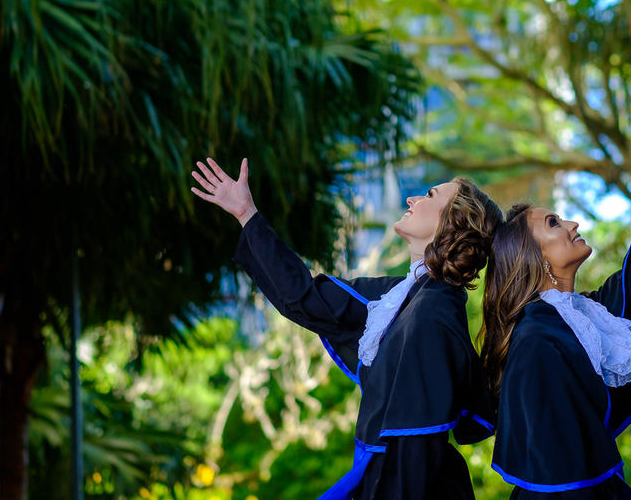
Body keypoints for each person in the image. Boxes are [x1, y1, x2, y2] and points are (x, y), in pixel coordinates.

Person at [191, 157, 502, 499]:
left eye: (429, 195)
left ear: (453, 223)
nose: (412, 199)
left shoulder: (433, 312)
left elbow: (417, 442)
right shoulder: (398, 297)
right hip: (377, 476)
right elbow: (304, 298)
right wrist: (246, 214)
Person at [480, 103, 631, 498]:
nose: (572, 223)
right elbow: (552, 462)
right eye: (553, 223)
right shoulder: (535, 337)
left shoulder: (588, 314)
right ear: (533, 256)